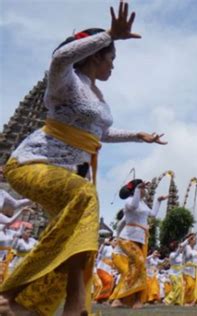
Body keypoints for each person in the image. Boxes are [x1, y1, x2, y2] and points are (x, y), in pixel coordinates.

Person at [0, 2, 167, 315]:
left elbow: (100, 134)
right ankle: (12, 292)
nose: (113, 67)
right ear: (95, 54)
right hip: (32, 165)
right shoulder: (66, 80)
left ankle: (64, 309)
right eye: (111, 58)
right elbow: (60, 57)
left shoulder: (97, 95)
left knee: (82, 235)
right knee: (85, 196)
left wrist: (139, 135)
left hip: (68, 173)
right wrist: (109, 35)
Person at [110, 180, 166, 308]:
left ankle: (133, 300)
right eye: (143, 188)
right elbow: (133, 207)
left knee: (139, 269)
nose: (145, 190)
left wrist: (158, 201)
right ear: (137, 189)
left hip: (141, 238)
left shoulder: (143, 204)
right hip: (127, 237)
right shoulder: (130, 201)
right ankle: (121, 298)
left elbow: (152, 214)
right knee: (139, 262)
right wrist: (137, 188)